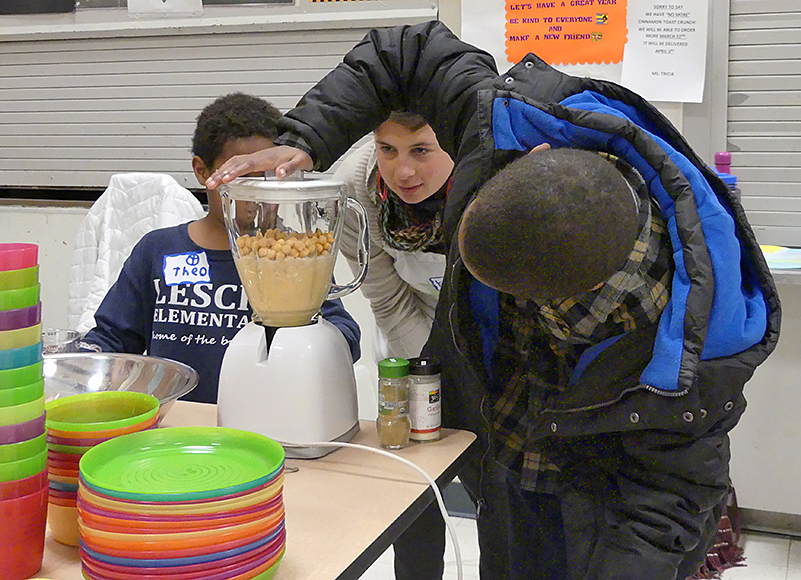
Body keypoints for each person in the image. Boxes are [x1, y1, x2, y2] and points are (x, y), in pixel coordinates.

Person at [206, 22, 780, 580]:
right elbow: (406, 50)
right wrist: (300, 141)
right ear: (534, 156)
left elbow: (664, 509)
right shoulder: (507, 131)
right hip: (509, 454)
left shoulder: (687, 358)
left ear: (568, 308)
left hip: (602, 502)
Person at [81, 92, 361, 404]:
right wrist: (79, 364)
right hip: (178, 422)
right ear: (202, 171)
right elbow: (111, 342)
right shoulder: (157, 250)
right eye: (241, 176)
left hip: (264, 421)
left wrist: (307, 339)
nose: (256, 192)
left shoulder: (294, 254)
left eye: (267, 176)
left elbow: (345, 335)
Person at [335, 112, 509, 580]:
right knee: (415, 487)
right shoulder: (353, 190)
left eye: (421, 150)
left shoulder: (498, 173)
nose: (404, 171)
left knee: (499, 494)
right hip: (410, 339)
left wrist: (474, 387)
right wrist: (431, 378)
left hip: (494, 340)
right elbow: (387, 299)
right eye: (387, 150)